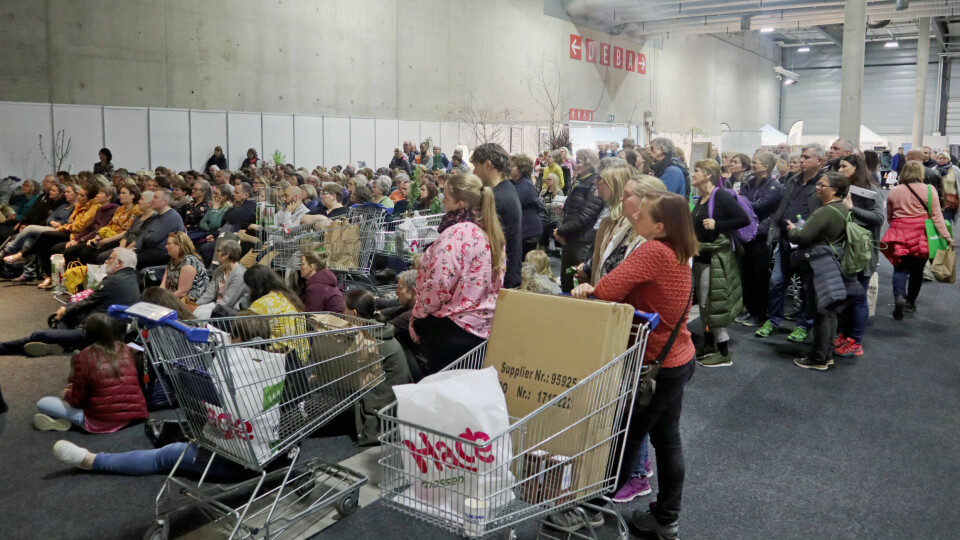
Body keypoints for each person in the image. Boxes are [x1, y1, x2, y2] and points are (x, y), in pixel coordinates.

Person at [564, 191, 697, 538]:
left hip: (654, 365)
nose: (634, 217)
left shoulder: (653, 250)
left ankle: (592, 509)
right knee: (666, 439)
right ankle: (666, 519)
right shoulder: (679, 251)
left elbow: (607, 289)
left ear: (660, 225)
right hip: (677, 357)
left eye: (642, 215)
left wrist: (588, 288)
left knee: (624, 439)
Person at [410, 174, 505, 374]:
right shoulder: (491, 233)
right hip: (483, 327)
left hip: (452, 329)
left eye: (445, 196)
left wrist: (417, 316)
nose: (442, 200)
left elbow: (438, 284)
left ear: (460, 204)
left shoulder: (456, 234)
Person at [0, 248, 140, 357]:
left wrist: (66, 310)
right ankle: (63, 343)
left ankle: (3, 348)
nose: (106, 262)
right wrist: (67, 309)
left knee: (39, 335)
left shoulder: (114, 281)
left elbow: (89, 301)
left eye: (110, 259)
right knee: (69, 309)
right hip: (105, 328)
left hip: (95, 333)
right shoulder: (130, 278)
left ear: (120, 263)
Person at [755, 143, 825, 342]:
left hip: (809, 244)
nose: (801, 161)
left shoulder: (823, 184)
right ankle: (773, 320)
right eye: (801, 157)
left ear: (819, 161)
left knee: (806, 288)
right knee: (777, 283)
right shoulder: (793, 181)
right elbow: (780, 209)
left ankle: (803, 325)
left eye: (806, 157)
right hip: (786, 241)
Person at [785, 172, 854, 370]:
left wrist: (792, 229)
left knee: (821, 311)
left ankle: (819, 358)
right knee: (829, 311)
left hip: (821, 264)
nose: (818, 188)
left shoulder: (825, 212)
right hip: (834, 261)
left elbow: (802, 237)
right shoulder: (842, 208)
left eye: (822, 185)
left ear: (834, 190)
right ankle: (826, 353)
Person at [33, 313, 148, 432]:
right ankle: (66, 419)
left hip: (100, 422)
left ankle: (70, 422)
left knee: (43, 403)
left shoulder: (84, 356)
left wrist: (66, 393)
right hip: (133, 417)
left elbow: (78, 401)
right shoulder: (125, 350)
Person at [690, 160, 749, 367]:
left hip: (715, 259)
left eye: (696, 170)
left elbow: (743, 220)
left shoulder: (720, 195)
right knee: (706, 305)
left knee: (712, 305)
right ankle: (708, 344)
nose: (692, 174)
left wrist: (718, 224)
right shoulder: (702, 197)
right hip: (701, 258)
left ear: (708, 174)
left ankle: (724, 353)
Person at [881, 161, 954, 320]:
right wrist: (947, 237)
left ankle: (899, 297)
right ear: (921, 173)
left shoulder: (895, 190)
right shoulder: (929, 189)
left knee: (900, 268)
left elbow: (890, 214)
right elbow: (936, 216)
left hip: (900, 232)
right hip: (921, 234)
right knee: (917, 271)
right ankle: (910, 303)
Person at [342, 289, 413, 445]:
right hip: (395, 399)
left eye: (343, 310)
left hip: (384, 404)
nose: (342, 314)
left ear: (353, 313)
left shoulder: (368, 340)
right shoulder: (378, 330)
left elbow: (350, 374)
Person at [833, 154, 884, 358]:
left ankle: (856, 342)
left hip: (862, 252)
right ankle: (846, 335)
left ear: (856, 168)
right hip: (845, 251)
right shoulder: (844, 189)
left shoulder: (872, 190)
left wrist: (853, 209)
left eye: (843, 166)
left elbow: (879, 218)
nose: (839, 170)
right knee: (847, 297)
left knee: (858, 297)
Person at [737, 152, 784, 326]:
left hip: (762, 234)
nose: (752, 165)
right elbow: (742, 201)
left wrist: (741, 203)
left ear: (765, 166)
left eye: (755, 163)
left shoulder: (774, 187)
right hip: (746, 233)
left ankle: (760, 313)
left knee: (759, 276)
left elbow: (759, 206)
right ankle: (750, 310)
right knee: (747, 275)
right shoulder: (749, 183)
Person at [471, 143, 522, 289]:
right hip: (506, 275)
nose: (474, 173)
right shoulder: (508, 188)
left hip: (500, 279)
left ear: (488, 165)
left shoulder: (497, 198)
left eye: (475, 166)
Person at [554, 149, 604, 292]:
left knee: (579, 280)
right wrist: (559, 229)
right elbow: (566, 208)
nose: (575, 164)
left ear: (590, 163)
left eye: (579, 161)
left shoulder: (593, 184)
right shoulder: (579, 180)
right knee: (566, 279)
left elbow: (585, 216)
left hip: (582, 241)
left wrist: (560, 230)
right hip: (568, 238)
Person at [244, 265, 309, 360]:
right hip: (300, 356)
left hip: (277, 358)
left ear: (256, 287)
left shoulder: (262, 303)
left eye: (249, 287)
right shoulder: (289, 296)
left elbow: (243, 329)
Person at [129, 189, 186, 269]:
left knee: (129, 261)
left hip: (164, 253)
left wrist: (145, 239)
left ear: (164, 202)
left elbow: (153, 239)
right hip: (151, 250)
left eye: (155, 198)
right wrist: (132, 249)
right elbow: (143, 236)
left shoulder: (172, 217)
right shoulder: (156, 216)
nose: (152, 200)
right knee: (125, 257)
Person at [193, 240, 248, 319]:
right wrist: (196, 306)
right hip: (217, 308)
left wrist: (205, 310)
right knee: (195, 313)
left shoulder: (240, 274)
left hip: (231, 312)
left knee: (200, 314)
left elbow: (228, 302)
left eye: (218, 250)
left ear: (226, 254)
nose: (216, 253)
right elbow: (209, 293)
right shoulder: (219, 270)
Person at [160, 232, 209, 305]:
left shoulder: (189, 262)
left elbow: (182, 292)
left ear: (179, 245)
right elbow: (163, 285)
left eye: (169, 244)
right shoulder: (172, 262)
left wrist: (163, 301)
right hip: (173, 300)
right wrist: (158, 297)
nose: (166, 246)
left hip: (191, 303)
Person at [509, 154, 544, 257]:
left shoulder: (525, 185)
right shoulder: (518, 183)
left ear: (520, 169)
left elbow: (512, 205)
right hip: (525, 230)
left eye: (512, 166)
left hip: (528, 232)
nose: (509, 168)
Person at [936, 150, 959, 223]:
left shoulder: (955, 169)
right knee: (945, 222)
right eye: (940, 158)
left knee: (947, 220)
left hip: (953, 200)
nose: (942, 160)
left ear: (948, 159)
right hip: (940, 200)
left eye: (944, 158)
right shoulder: (934, 170)